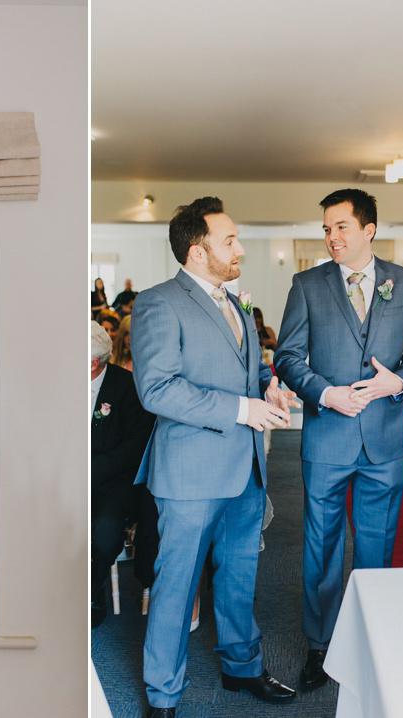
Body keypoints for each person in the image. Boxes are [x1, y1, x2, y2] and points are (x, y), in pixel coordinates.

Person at [131, 196, 299, 717]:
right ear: (197, 250)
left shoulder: (236, 303)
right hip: (190, 474)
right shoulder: (159, 303)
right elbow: (156, 390)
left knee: (239, 578)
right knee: (176, 587)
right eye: (229, 240)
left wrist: (268, 389)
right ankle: (162, 694)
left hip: (246, 469)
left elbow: (248, 375)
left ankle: (241, 667)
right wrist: (242, 408)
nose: (240, 248)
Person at [273, 188, 403, 690]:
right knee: (321, 544)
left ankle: (371, 637)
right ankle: (320, 648)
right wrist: (326, 394)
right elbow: (288, 357)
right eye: (325, 228)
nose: (331, 237)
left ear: (369, 229)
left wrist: (397, 382)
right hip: (327, 436)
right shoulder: (307, 284)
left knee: (377, 545)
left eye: (341, 226)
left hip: (383, 437)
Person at [90, 321, 154, 629]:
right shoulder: (60, 383)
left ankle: (92, 589)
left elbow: (134, 447)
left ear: (93, 363)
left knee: (104, 532)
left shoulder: (127, 386)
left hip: (111, 483)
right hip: (62, 478)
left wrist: (89, 470)